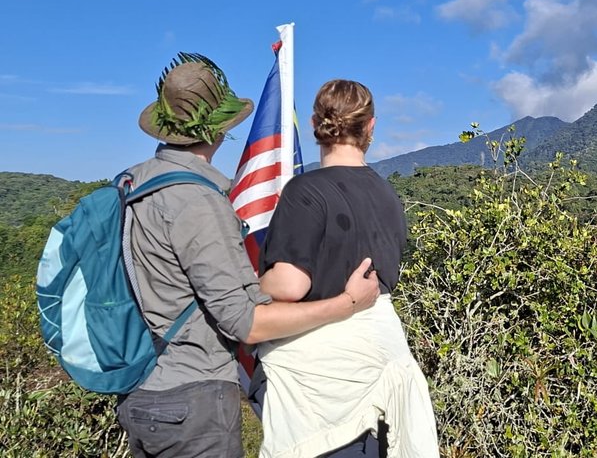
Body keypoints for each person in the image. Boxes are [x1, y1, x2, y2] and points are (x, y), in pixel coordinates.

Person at [115, 55, 380, 458]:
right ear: (221, 129)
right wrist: (347, 303)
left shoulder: (132, 185)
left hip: (142, 390)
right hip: (192, 400)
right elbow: (246, 323)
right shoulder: (197, 203)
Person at [257, 79, 439, 458]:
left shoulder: (305, 191)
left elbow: (289, 285)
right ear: (371, 127)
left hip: (319, 386)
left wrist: (255, 278)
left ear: (314, 124)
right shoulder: (388, 195)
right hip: (380, 361)